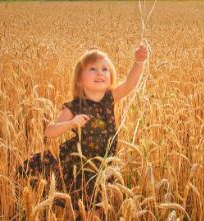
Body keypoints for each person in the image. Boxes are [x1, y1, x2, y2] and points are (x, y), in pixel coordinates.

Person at [18, 44, 149, 220]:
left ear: (110, 78)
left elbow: (129, 84)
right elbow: (49, 131)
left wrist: (139, 62)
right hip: (80, 168)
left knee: (100, 209)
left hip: (103, 166)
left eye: (104, 69)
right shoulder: (75, 106)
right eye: (92, 69)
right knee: (88, 211)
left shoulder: (109, 99)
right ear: (79, 80)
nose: (100, 73)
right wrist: (71, 123)